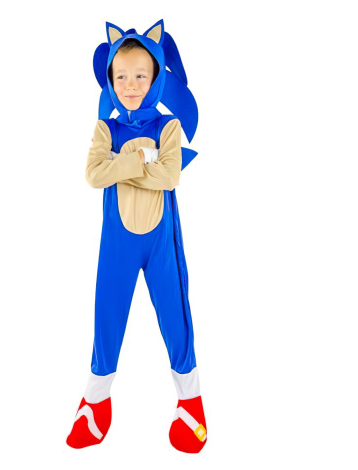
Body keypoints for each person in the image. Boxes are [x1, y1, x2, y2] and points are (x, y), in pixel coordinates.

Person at [66, 19, 207, 454]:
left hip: (161, 244)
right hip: (118, 246)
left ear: (155, 78)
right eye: (122, 77)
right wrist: (142, 158)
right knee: (106, 315)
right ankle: (96, 400)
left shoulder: (168, 127)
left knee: (175, 316)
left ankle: (191, 402)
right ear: (110, 80)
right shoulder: (105, 129)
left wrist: (121, 165)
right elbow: (93, 175)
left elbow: (169, 177)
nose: (131, 86)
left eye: (141, 76)